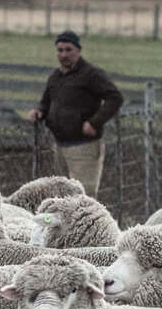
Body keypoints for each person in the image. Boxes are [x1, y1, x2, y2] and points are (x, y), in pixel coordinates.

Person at [27, 30, 123, 198]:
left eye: (68, 50)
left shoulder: (90, 74)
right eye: (60, 50)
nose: (64, 54)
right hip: (59, 145)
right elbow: (46, 102)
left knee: (84, 197)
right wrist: (39, 112)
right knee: (61, 196)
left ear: (78, 50)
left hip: (84, 146)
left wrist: (95, 122)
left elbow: (115, 98)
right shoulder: (55, 76)